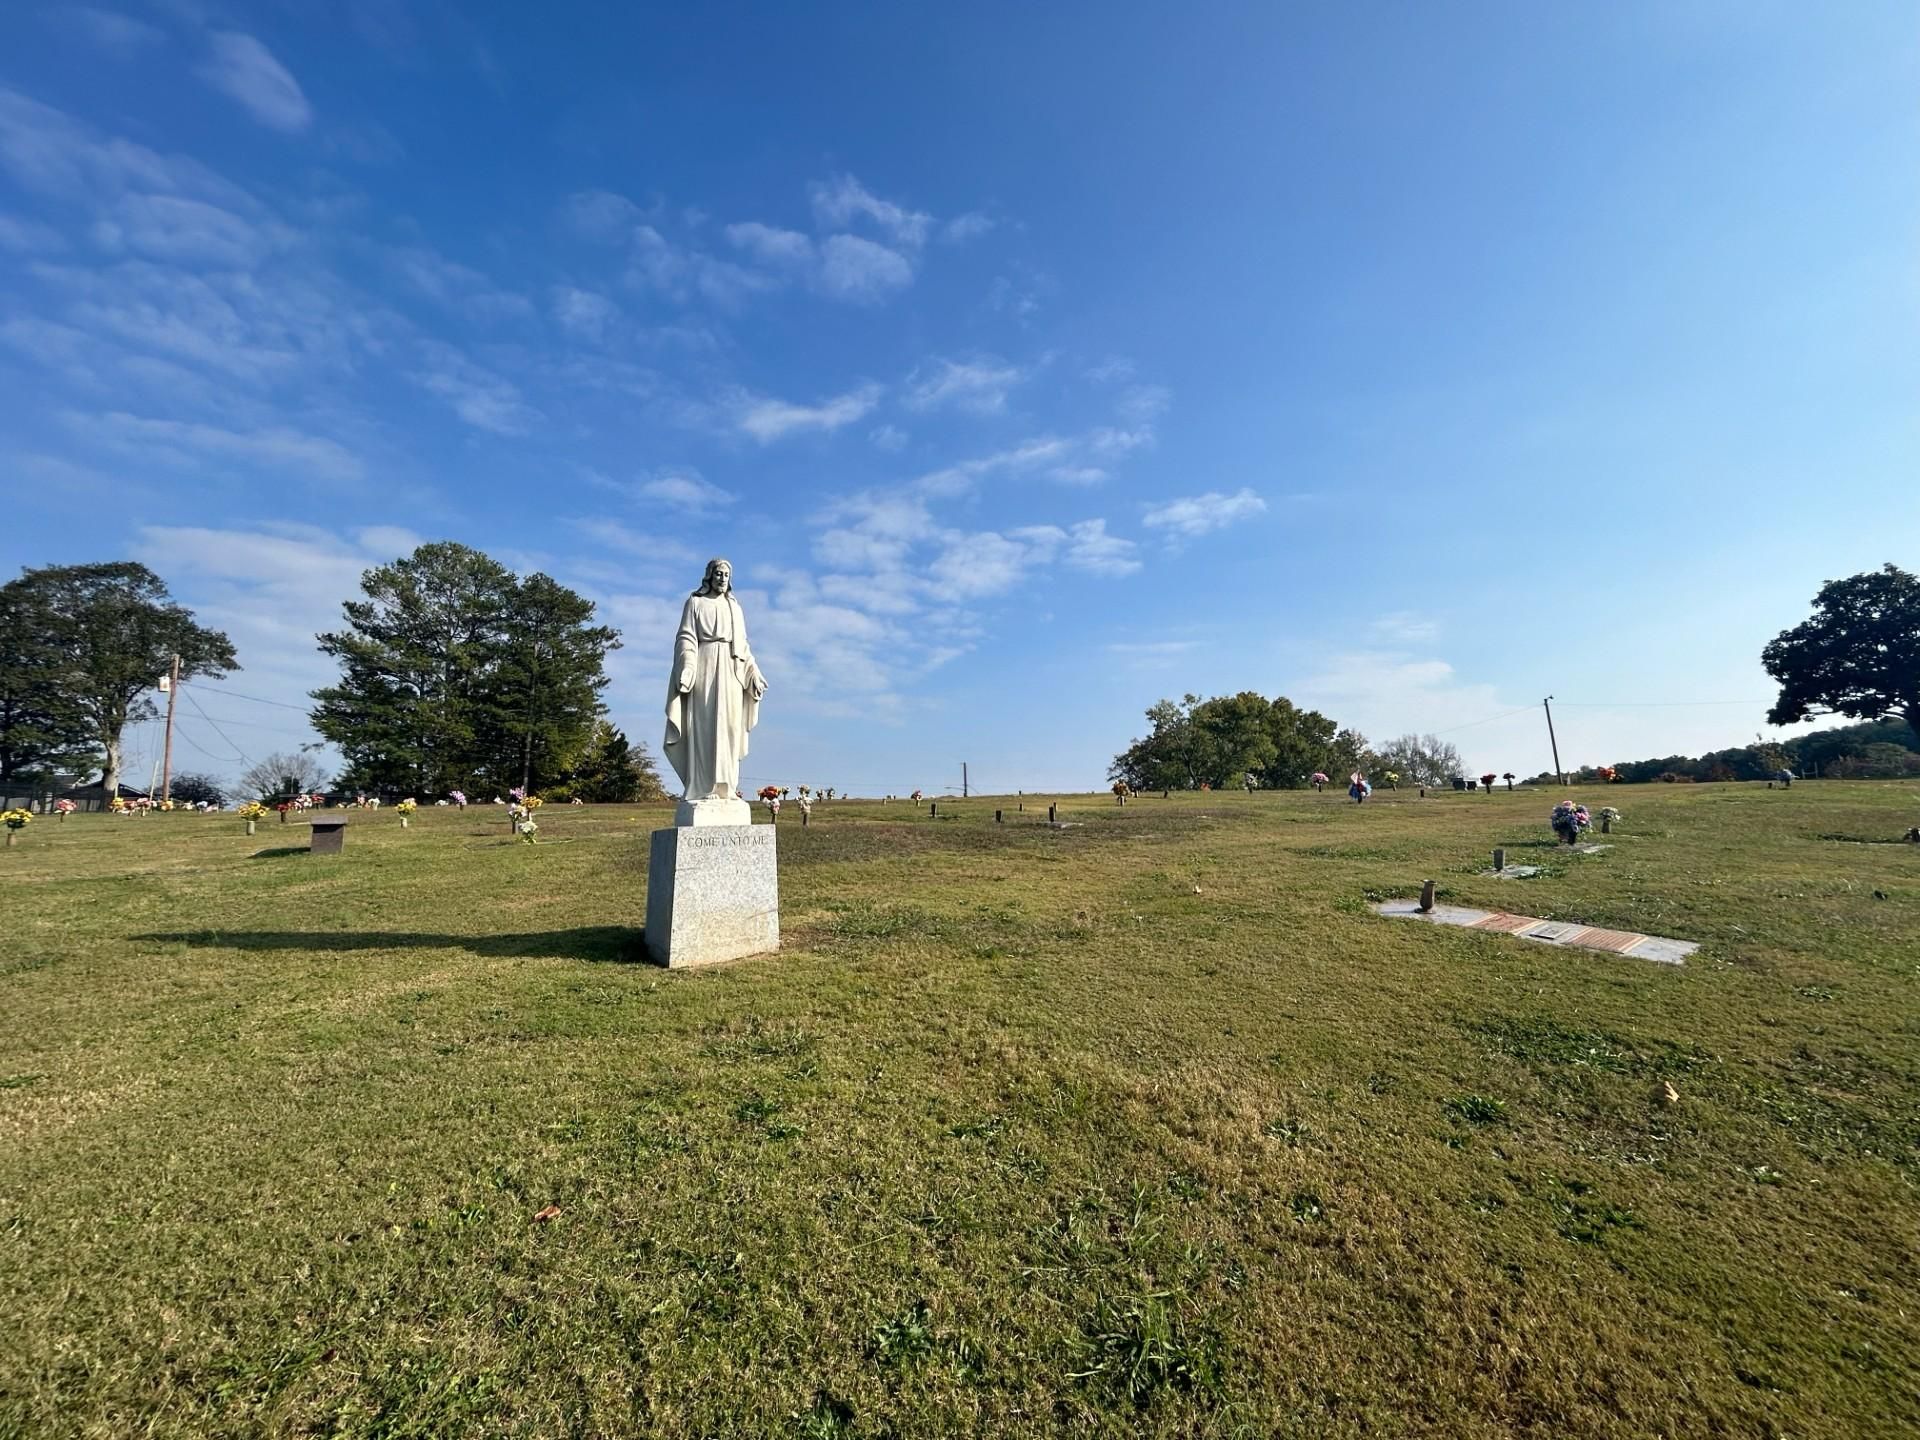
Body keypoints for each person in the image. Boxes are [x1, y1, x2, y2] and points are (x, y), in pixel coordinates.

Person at [664, 558, 768, 813]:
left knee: (729, 727)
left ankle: (727, 788)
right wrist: (687, 666)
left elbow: (743, 647)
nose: (722, 578)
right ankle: (703, 787)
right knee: (706, 727)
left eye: (726, 574)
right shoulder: (695, 603)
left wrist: (753, 673)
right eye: (718, 573)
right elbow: (686, 637)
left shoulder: (735, 608)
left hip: (732, 673)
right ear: (710, 576)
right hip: (705, 667)